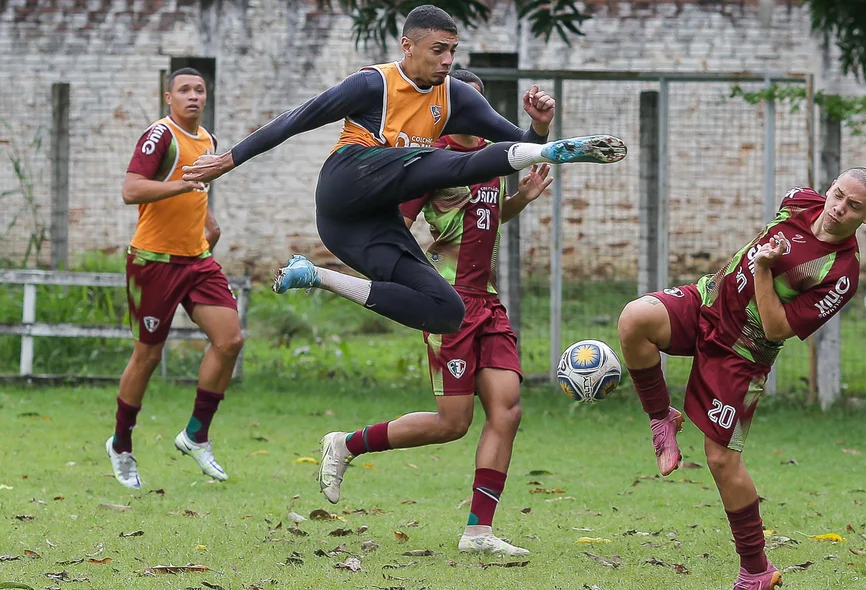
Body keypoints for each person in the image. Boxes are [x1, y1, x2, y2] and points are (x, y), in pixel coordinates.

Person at [181, 4, 624, 342]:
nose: (449, 60)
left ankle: (316, 276)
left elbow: (516, 142)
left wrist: (540, 129)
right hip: (344, 185)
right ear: (407, 46)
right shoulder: (372, 84)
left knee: (447, 310)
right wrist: (229, 159)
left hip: (360, 226)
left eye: (453, 50)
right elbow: (300, 117)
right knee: (436, 164)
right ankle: (550, 151)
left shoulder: (456, 97)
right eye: (439, 50)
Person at [616, 168, 866, 589]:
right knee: (635, 319)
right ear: (829, 188)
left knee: (721, 459)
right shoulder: (798, 200)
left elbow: (777, 328)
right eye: (838, 195)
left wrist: (762, 269)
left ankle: (756, 570)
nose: (839, 208)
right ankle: (660, 417)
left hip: (742, 352)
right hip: (708, 301)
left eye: (854, 207)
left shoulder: (841, 273)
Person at [349, 69, 549, 557]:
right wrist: (410, 273)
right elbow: (395, 226)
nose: (473, 112)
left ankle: (478, 532)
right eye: (462, 103)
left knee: (508, 409)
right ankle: (348, 445)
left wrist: (521, 196)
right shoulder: (427, 161)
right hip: (449, 304)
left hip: (490, 301)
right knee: (452, 424)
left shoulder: (492, 154)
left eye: (478, 104)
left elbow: (487, 215)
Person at [105, 67, 245, 489]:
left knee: (230, 339)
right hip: (153, 261)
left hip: (197, 259)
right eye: (184, 90)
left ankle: (196, 434)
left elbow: (195, 189)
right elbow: (132, 190)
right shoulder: (159, 135)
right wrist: (185, 186)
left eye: (199, 90)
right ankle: (122, 443)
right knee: (148, 354)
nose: (193, 96)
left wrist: (209, 220)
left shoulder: (210, 141)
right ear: (169, 97)